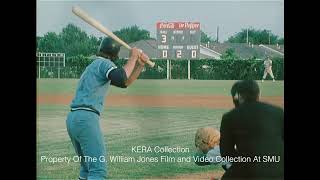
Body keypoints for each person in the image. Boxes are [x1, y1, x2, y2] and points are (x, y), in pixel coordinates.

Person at [66, 37, 149, 180]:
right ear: (115, 55)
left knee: (87, 168)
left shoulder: (94, 66)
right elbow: (121, 77)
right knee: (98, 171)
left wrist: (139, 65)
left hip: (73, 119)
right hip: (86, 119)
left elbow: (124, 83)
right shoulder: (104, 63)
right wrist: (133, 57)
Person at [220, 80, 284, 179]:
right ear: (258, 94)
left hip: (249, 172)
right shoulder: (278, 112)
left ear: (239, 96)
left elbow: (226, 153)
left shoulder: (230, 117)